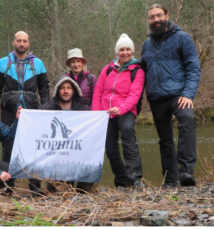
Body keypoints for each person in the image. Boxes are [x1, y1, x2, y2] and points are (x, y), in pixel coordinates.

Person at [140, 4, 201, 188]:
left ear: (167, 16)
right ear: (149, 20)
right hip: (156, 98)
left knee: (187, 121)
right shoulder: (146, 45)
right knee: (165, 139)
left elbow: (193, 67)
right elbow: (141, 73)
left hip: (179, 95)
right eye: (152, 17)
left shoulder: (182, 38)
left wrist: (188, 94)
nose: (156, 20)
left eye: (159, 15)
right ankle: (170, 178)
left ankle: (186, 171)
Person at [0, 31, 50, 194]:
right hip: (9, 109)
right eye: (19, 41)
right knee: (8, 148)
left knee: (33, 148)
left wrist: (46, 110)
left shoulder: (38, 63)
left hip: (32, 110)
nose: (21, 44)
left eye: (24, 41)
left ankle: (35, 188)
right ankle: (7, 188)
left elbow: (44, 90)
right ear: (13, 43)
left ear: (28, 44)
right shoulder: (3, 63)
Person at [92, 34, 145, 188]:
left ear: (132, 51)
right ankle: (122, 179)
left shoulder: (138, 71)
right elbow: (98, 93)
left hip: (126, 110)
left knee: (128, 132)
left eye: (128, 49)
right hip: (106, 112)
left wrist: (120, 109)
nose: (125, 52)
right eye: (121, 49)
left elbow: (134, 95)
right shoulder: (108, 69)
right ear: (117, 52)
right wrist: (96, 115)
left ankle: (135, 177)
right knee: (110, 146)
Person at [38, 76, 93, 194]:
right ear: (57, 91)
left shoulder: (85, 110)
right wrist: (21, 116)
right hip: (54, 155)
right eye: (62, 88)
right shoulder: (46, 109)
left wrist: (104, 115)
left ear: (74, 90)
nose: (66, 91)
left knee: (82, 190)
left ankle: (81, 188)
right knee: (53, 191)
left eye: (69, 88)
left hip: (77, 154)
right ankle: (50, 186)